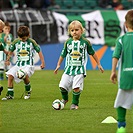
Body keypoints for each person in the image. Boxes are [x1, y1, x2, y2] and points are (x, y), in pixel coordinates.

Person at [54, 20, 104, 110]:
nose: (74, 32)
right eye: (72, 30)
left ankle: (74, 104)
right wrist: (58, 65)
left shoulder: (85, 42)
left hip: (80, 69)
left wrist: (99, 64)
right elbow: (63, 54)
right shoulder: (68, 42)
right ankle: (65, 99)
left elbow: (93, 53)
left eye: (77, 30)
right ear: (70, 32)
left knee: (76, 87)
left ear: (82, 30)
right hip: (68, 69)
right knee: (62, 86)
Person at [2, 25, 45, 100]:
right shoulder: (16, 42)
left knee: (23, 74)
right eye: (20, 38)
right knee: (10, 75)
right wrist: (8, 59)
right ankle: (10, 95)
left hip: (28, 65)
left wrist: (42, 62)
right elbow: (11, 51)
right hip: (18, 65)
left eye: (24, 38)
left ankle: (28, 90)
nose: (22, 39)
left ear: (28, 35)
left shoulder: (32, 42)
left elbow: (39, 51)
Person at [110, 10, 133, 133]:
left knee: (121, 103)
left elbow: (116, 56)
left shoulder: (121, 40)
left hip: (126, 74)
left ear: (125, 24)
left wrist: (113, 71)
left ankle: (121, 126)